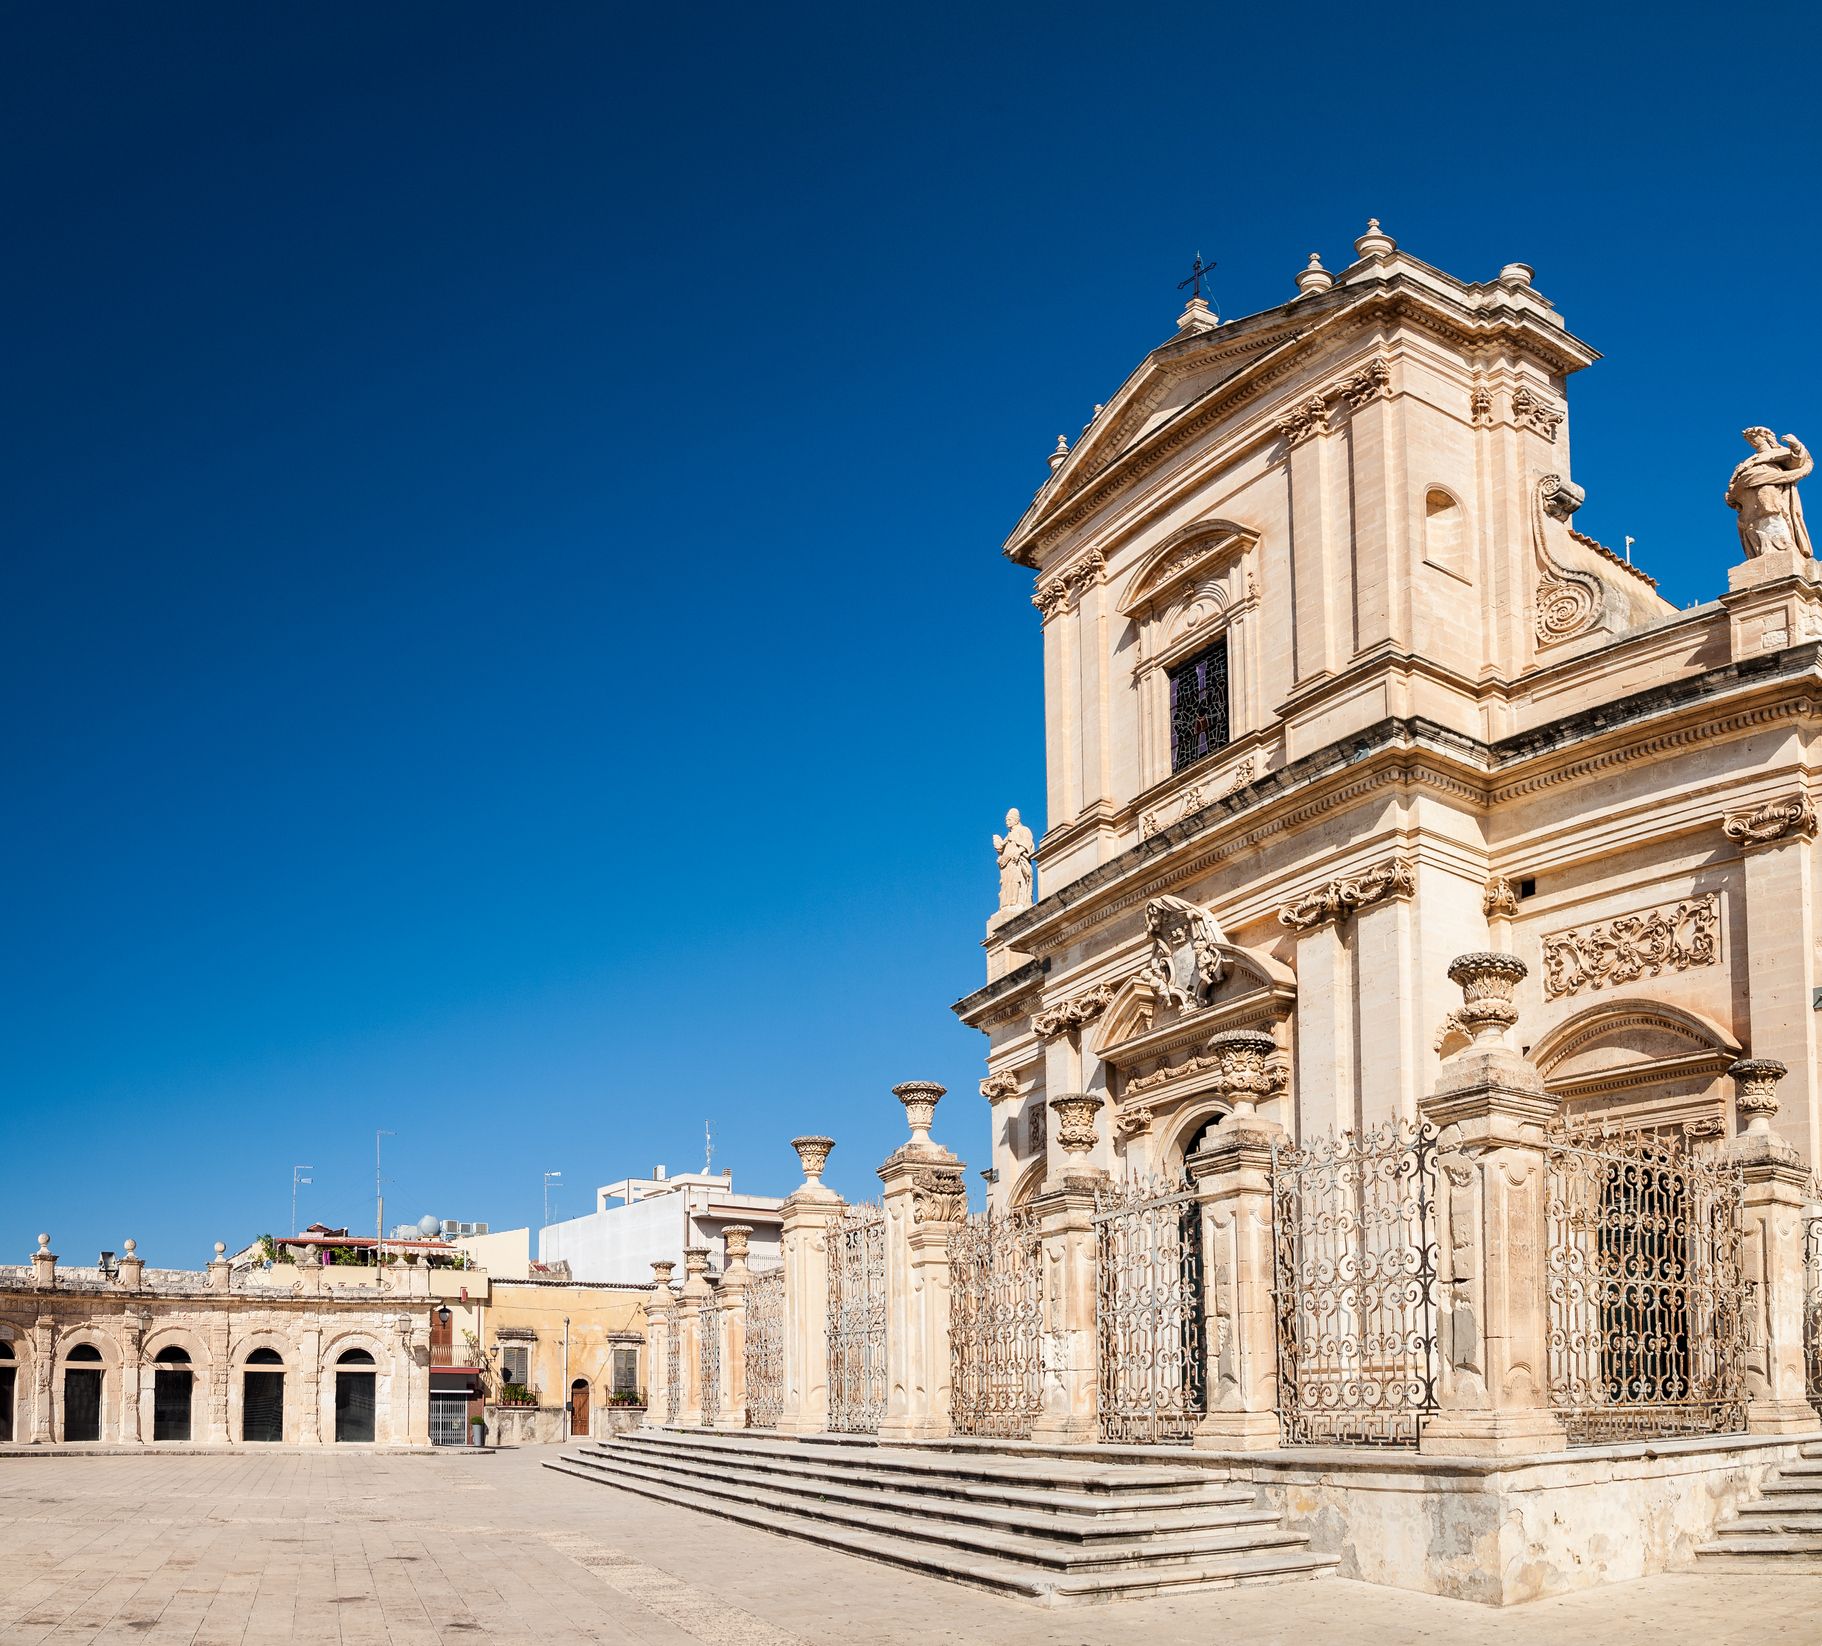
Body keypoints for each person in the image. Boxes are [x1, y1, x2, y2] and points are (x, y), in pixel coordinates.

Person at [1725, 427, 1812, 558]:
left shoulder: (1780, 452)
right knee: (1749, 521)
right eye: (1750, 440)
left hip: (1769, 485)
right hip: (1748, 494)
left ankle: (1781, 547)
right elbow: (1734, 481)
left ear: (1765, 437)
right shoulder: (1748, 461)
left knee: (1770, 511)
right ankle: (1760, 551)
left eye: (1754, 438)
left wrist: (1796, 445)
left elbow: (1799, 461)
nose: (1752, 442)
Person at [992, 808, 1036, 910]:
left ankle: (1017, 902)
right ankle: (1007, 904)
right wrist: (998, 843)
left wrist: (1018, 852)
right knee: (1007, 883)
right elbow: (1002, 848)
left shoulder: (1024, 830)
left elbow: (1027, 843)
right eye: (1006, 820)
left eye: (1009, 820)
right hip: (1007, 864)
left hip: (1016, 862)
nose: (1007, 822)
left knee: (1016, 881)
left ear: (1016, 820)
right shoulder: (1008, 835)